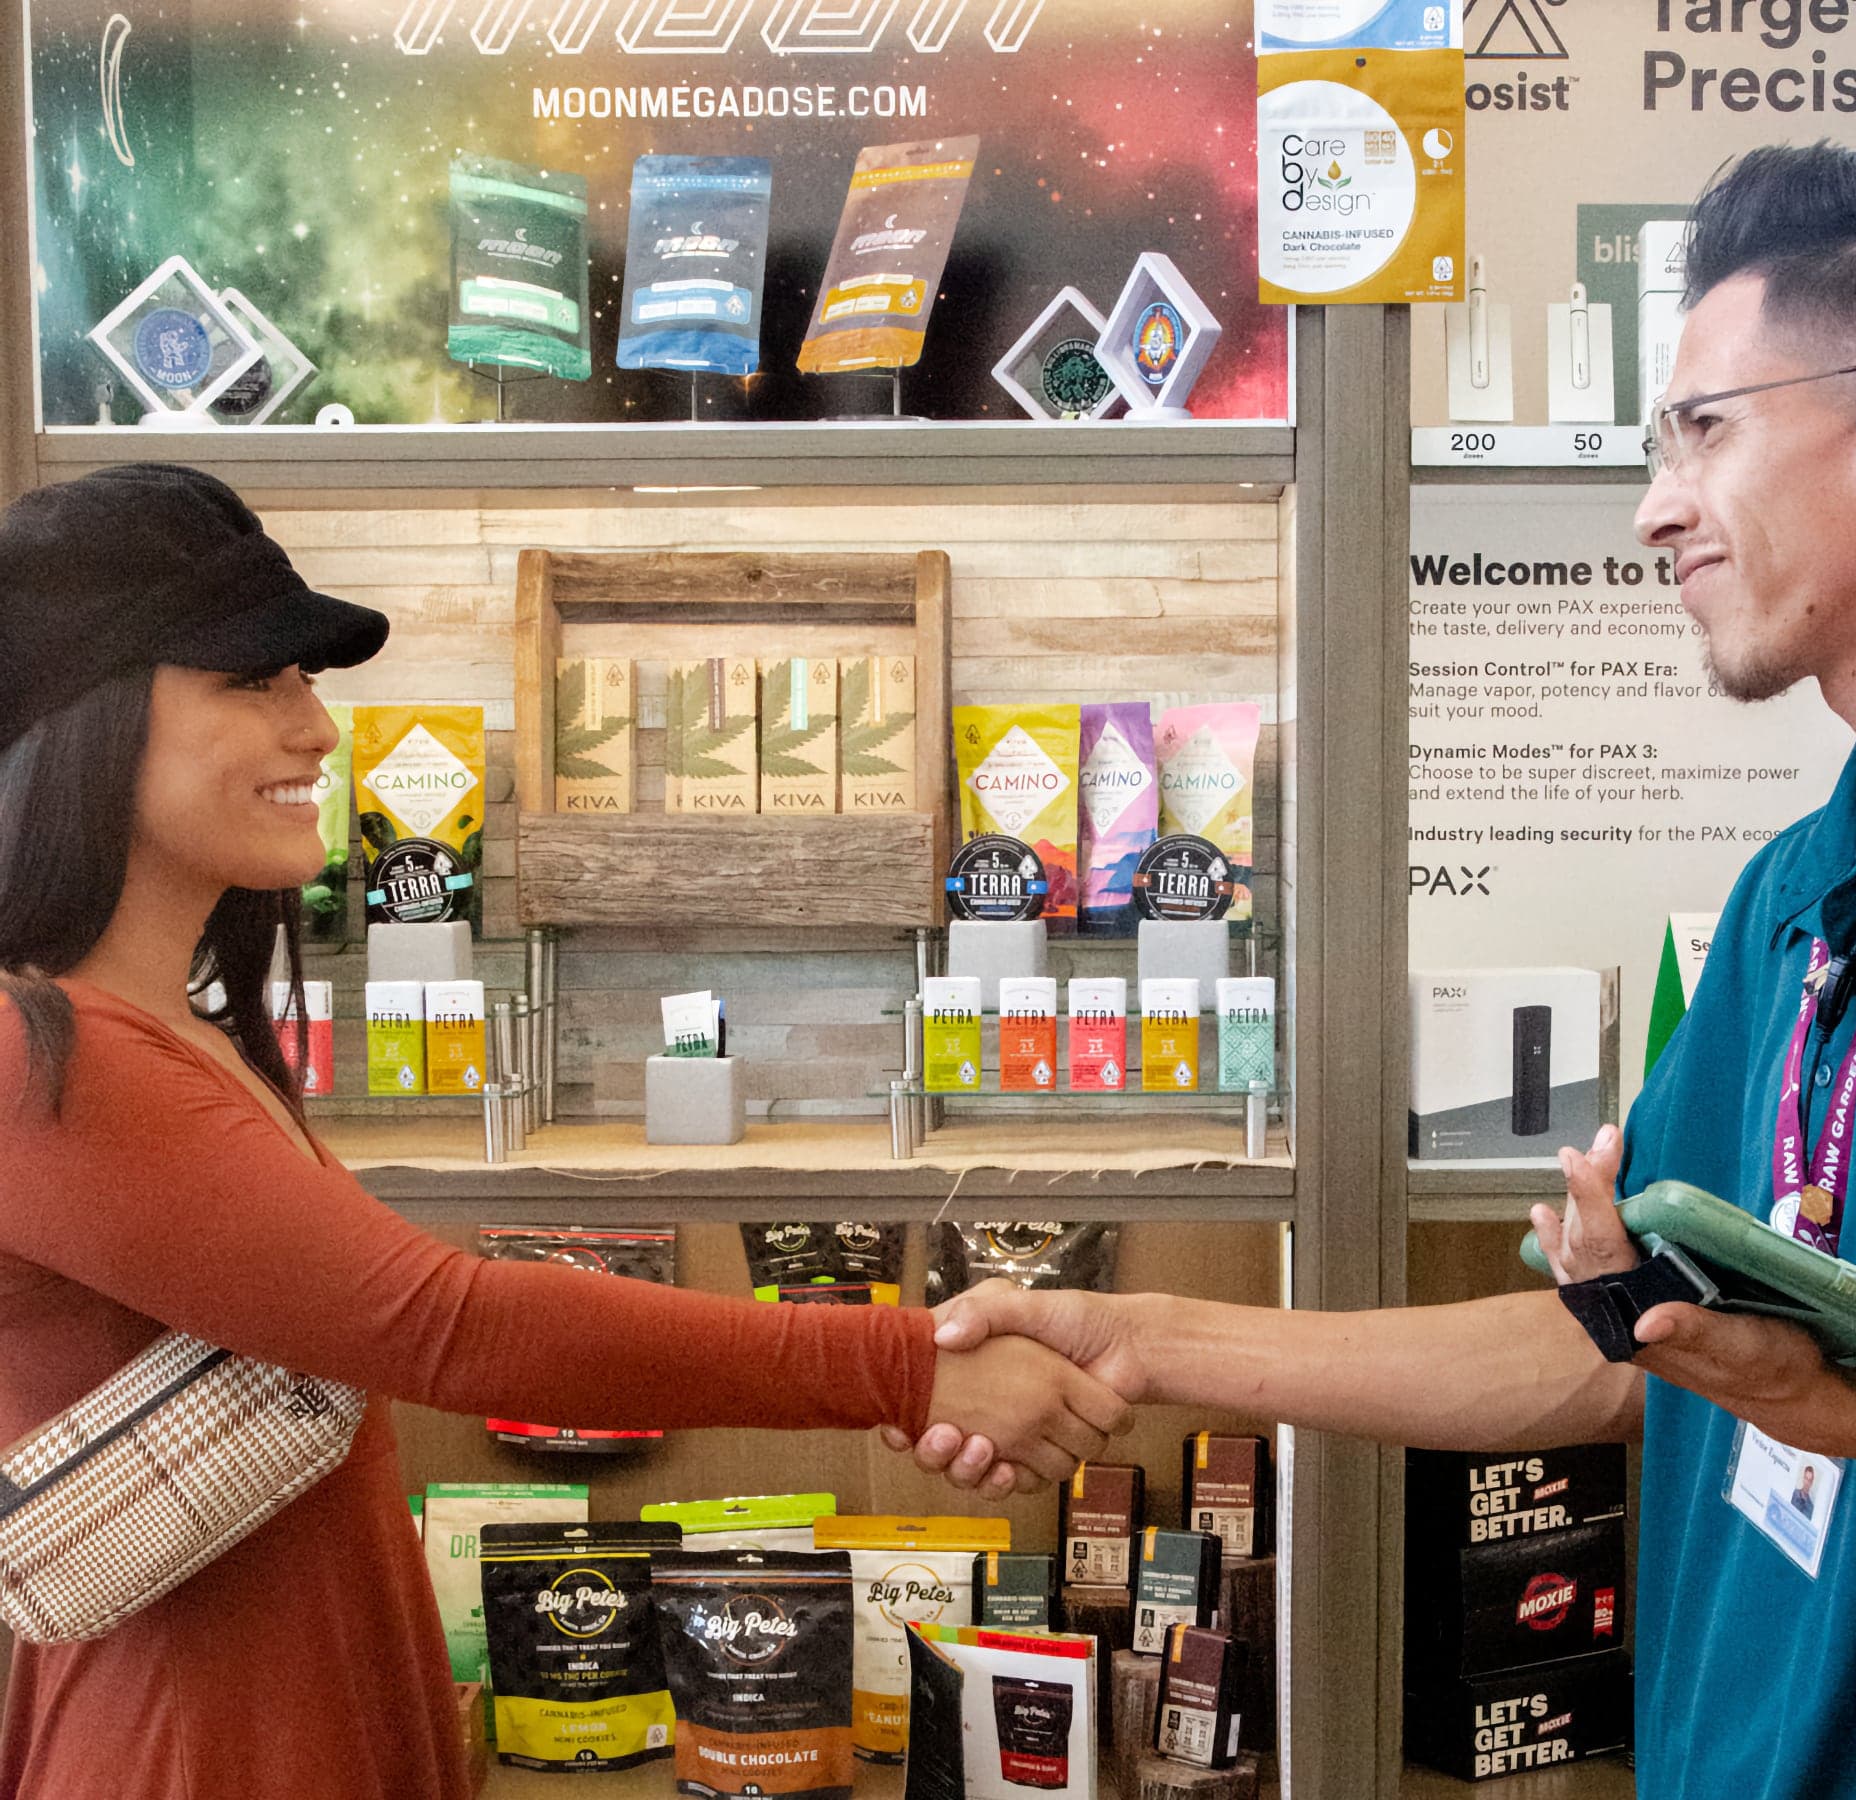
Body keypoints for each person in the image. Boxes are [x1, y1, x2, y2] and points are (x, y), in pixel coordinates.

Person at [898, 145, 1856, 1797]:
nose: (1657, 504)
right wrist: (1134, 1335)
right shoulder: (1799, 894)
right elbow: (1611, 1351)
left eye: (1704, 429)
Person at [0, 464, 1132, 1800]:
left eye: (306, 680)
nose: (316, 729)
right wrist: (910, 1368)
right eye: (257, 683)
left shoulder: (173, 1034)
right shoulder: (39, 1054)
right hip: (194, 1752)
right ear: (91, 715)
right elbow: (449, 1329)